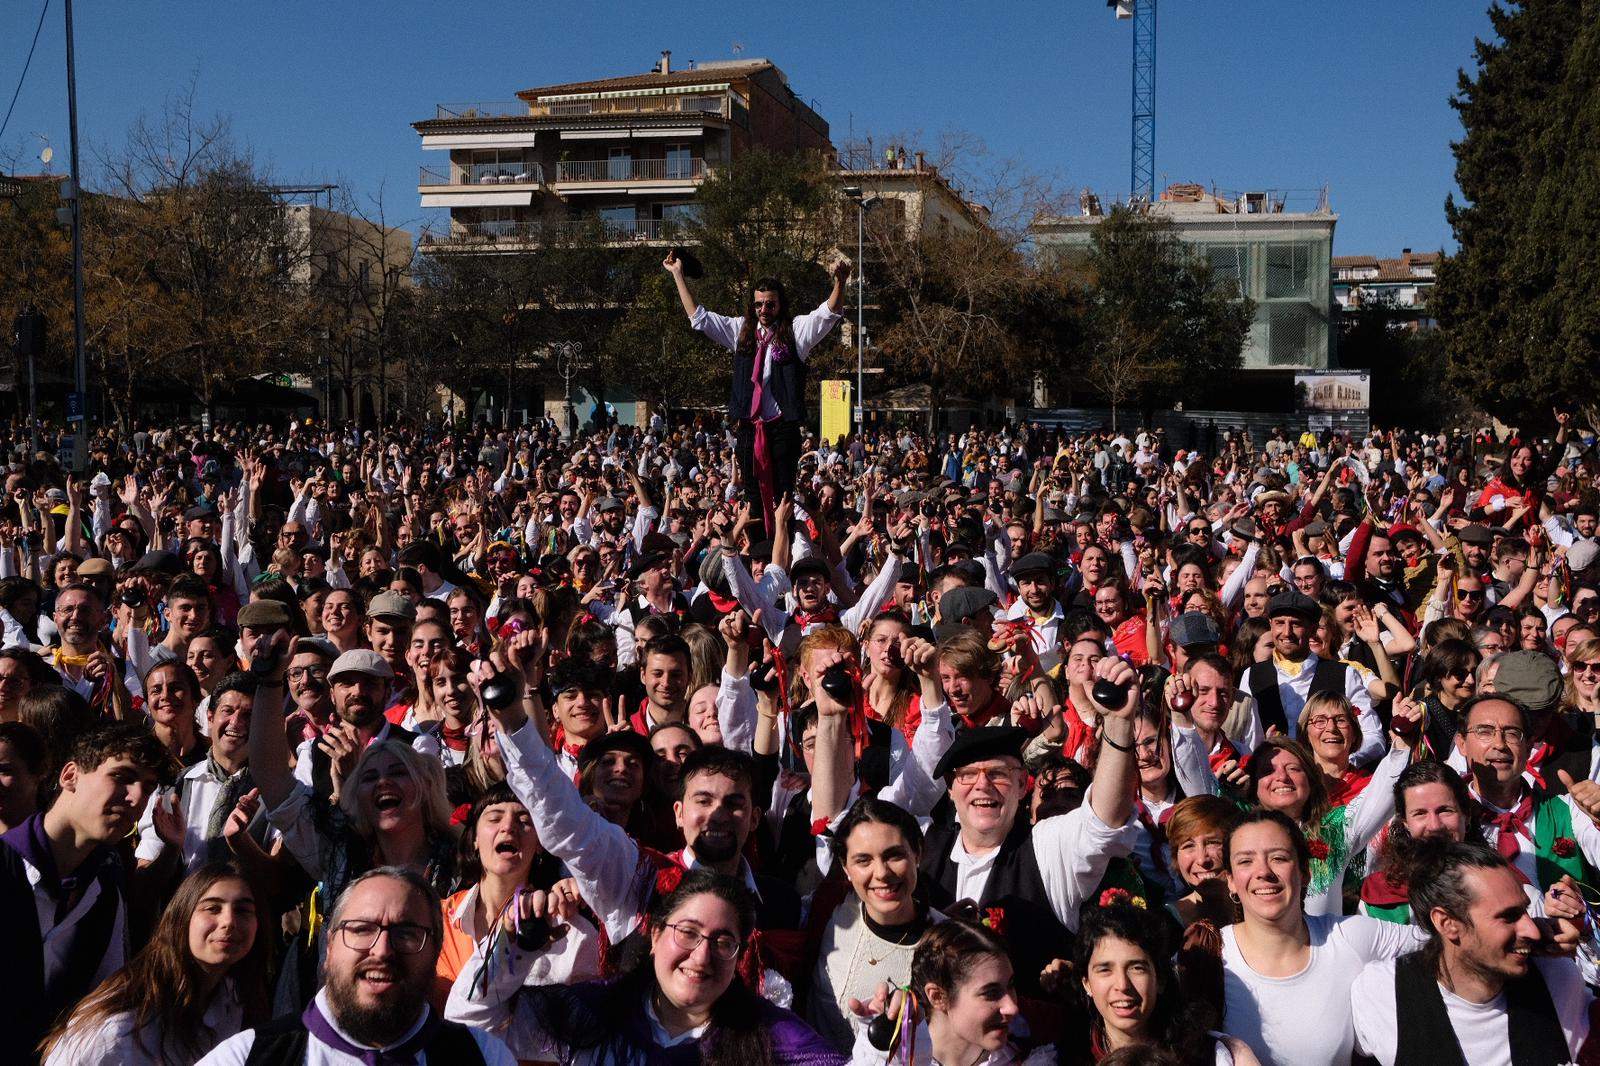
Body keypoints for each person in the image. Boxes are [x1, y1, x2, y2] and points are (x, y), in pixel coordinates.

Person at [450, 868, 844, 1065]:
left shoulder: (770, 1035)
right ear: (655, 935)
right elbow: (468, 1020)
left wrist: (885, 1044)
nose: (702, 956)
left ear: (740, 955)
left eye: (723, 942)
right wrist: (512, 946)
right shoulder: (595, 1012)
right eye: (688, 932)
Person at [198, 866, 515, 1064]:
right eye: (362, 930)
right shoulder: (248, 1056)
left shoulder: (484, 1056)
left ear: (435, 952)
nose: (382, 950)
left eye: (407, 933)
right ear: (330, 947)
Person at [0, 722, 174, 1060]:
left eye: (148, 786)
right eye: (122, 777)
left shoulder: (105, 886)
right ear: (70, 776)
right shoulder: (7, 866)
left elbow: (104, 1000)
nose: (136, 798)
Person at [1351, 841, 1592, 1066]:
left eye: (1525, 911)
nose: (1532, 930)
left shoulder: (1557, 979)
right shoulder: (1382, 992)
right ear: (1447, 923)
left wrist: (1586, 932)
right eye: (1508, 916)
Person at [1218, 810, 1429, 1066]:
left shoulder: (1346, 937)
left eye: (1278, 858)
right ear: (1230, 880)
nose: (1263, 871)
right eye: (1245, 861)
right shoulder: (1212, 956)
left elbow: (1446, 941)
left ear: (1305, 872)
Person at [665, 250, 850, 529]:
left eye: (770, 304)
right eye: (759, 305)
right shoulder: (740, 331)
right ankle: (758, 553)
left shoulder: (796, 331)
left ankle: (783, 547)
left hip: (782, 428)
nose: (764, 310)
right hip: (750, 427)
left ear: (780, 305)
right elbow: (699, 318)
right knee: (751, 495)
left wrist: (840, 281)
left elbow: (828, 312)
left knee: (783, 495)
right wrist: (678, 274)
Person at [41, 861, 269, 1066]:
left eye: (243, 910)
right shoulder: (122, 1025)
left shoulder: (232, 1001)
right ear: (183, 917)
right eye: (212, 908)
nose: (229, 921)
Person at [806, 796, 941, 1051]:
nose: (881, 873)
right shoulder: (829, 914)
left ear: (918, 854)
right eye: (863, 860)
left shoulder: (948, 943)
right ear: (845, 867)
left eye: (894, 856)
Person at [1062, 899, 1259, 1065]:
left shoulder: (1212, 1057)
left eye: (1137, 968)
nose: (1122, 985)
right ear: (1086, 983)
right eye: (1105, 969)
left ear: (1161, 979)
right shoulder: (1062, 1057)